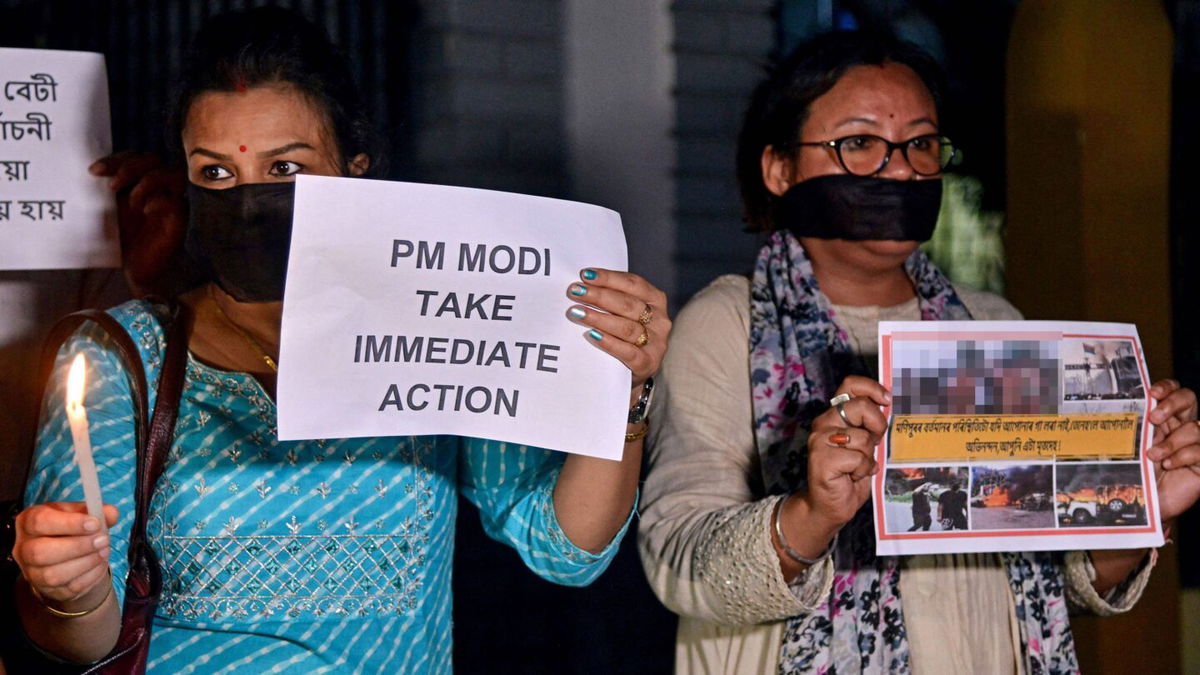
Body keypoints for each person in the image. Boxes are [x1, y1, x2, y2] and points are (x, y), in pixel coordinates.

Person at [11, 8, 670, 673]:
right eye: (215, 173)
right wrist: (69, 587)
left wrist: (625, 388)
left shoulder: (435, 326)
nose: (248, 200)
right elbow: (78, 641)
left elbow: (566, 548)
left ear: (355, 172)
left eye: (286, 169)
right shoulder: (121, 358)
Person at [638, 31, 1200, 674]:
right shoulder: (727, 325)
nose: (901, 167)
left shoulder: (993, 323)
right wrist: (809, 516)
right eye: (859, 144)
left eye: (922, 144)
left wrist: (1137, 502)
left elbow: (1055, 581)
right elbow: (677, 559)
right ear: (780, 169)